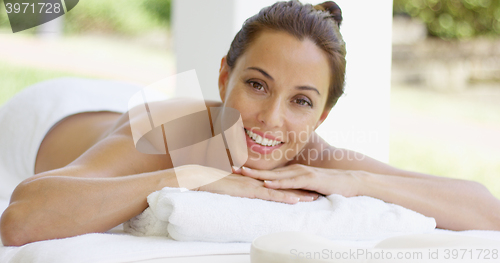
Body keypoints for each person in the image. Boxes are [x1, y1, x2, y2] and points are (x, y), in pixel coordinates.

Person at [1, 0, 499, 247]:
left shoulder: (307, 149)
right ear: (224, 76)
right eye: (257, 85)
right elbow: (21, 218)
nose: (271, 118)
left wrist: (356, 179)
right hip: (49, 115)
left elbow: (485, 209)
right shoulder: (175, 126)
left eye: (301, 101)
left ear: (321, 115)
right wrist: (184, 177)